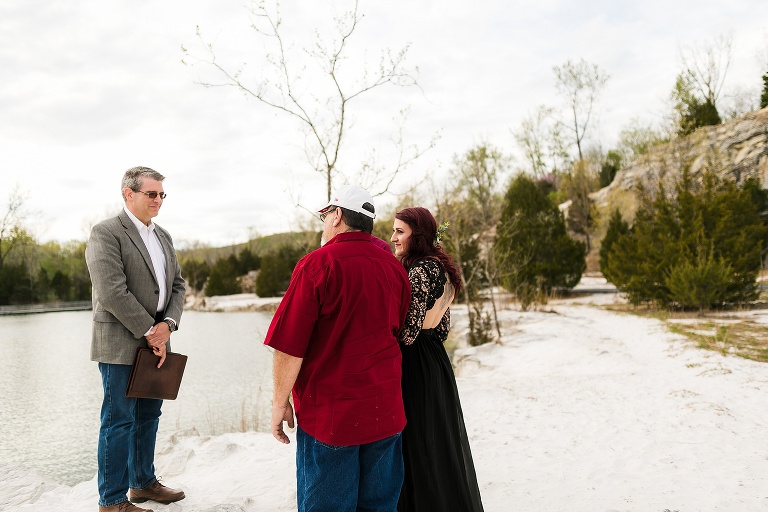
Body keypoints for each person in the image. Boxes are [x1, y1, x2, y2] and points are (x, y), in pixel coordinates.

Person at [264, 185, 412, 512]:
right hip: (385, 414)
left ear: (338, 215)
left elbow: (289, 346)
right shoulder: (395, 269)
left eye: (325, 215)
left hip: (332, 419)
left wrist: (279, 402)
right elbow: (395, 331)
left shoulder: (318, 264)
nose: (323, 223)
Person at [85, 166, 186, 512]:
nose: (158, 200)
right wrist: (149, 330)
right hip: (120, 342)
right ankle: (111, 501)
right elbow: (112, 291)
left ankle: (142, 484)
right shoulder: (106, 232)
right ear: (129, 194)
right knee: (119, 420)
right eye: (152, 194)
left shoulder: (164, 236)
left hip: (158, 342)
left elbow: (177, 286)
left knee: (148, 416)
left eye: (162, 195)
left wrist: (167, 325)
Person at [391, 207, 485, 512]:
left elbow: (408, 331)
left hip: (414, 361)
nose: (393, 237)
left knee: (416, 442)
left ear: (416, 235)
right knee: (437, 439)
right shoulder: (441, 268)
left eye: (399, 231)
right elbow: (443, 327)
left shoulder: (418, 270)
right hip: (435, 359)